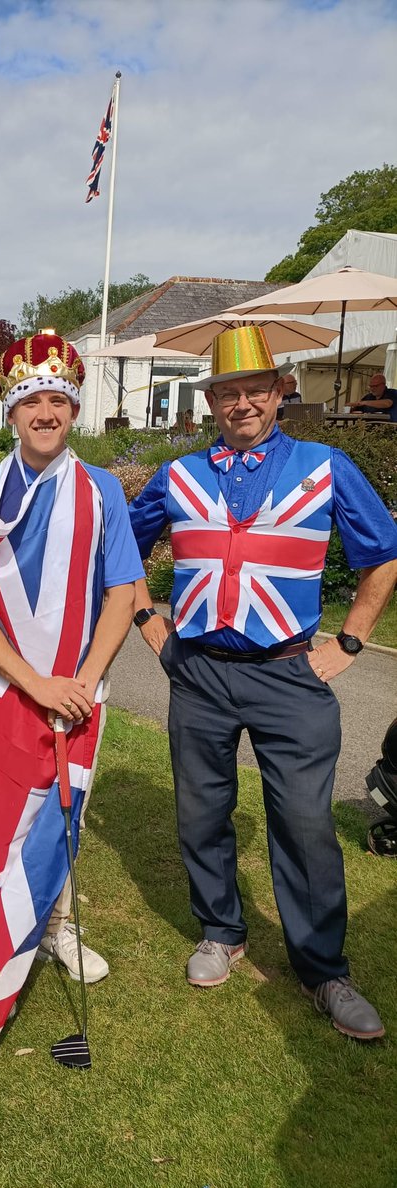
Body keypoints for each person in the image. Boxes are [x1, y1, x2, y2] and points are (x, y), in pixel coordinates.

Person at [128, 325, 397, 1041]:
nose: (241, 402)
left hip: (289, 674)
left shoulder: (327, 465)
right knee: (201, 811)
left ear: (280, 393)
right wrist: (149, 624)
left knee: (307, 825)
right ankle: (221, 931)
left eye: (255, 389)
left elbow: (383, 557)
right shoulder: (179, 475)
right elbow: (120, 548)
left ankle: (324, 970)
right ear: (210, 400)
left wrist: (350, 639)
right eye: (227, 392)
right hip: (198, 673)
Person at [0, 333, 143, 1034]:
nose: (46, 412)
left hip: (77, 691)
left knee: (57, 820)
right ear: (10, 413)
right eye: (32, 400)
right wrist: (35, 682)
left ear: (73, 410)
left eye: (58, 400)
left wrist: (85, 680)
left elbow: (124, 590)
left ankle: (51, 923)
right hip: (3, 693)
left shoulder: (100, 490)